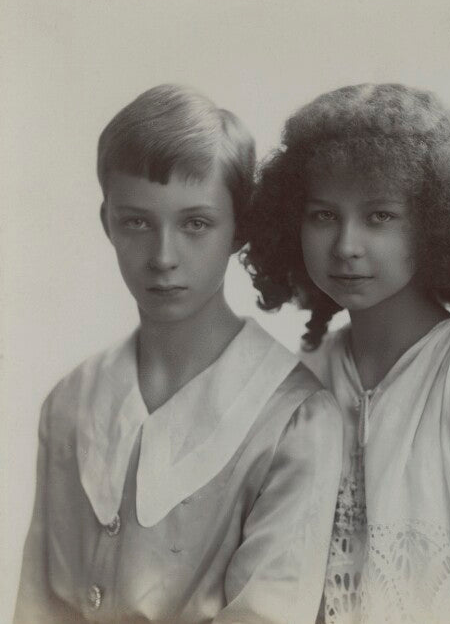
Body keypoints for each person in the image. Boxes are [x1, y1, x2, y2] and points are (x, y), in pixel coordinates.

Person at [14, 83, 342, 623]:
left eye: (196, 224)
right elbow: (37, 605)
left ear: (239, 227)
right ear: (107, 225)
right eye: (136, 222)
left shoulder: (296, 421)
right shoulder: (70, 403)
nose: (163, 257)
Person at [243, 83, 450, 623]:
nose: (346, 244)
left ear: (437, 225)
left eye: (380, 216)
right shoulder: (299, 384)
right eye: (322, 215)